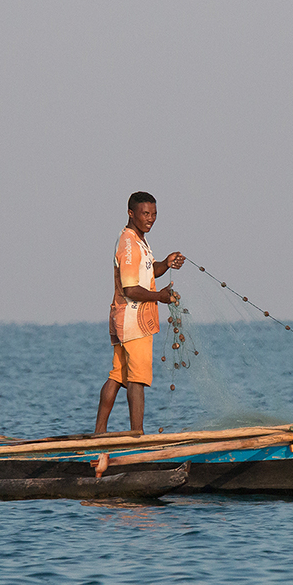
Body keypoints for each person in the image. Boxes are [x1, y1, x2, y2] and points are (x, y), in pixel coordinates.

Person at [93, 192, 185, 458]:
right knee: (137, 379)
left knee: (118, 375)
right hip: (134, 321)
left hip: (128, 319)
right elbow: (131, 288)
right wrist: (161, 297)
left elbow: (146, 273)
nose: (151, 219)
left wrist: (165, 264)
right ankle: (137, 437)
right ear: (131, 213)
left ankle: (99, 435)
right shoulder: (130, 245)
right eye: (145, 214)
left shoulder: (138, 241)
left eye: (154, 214)